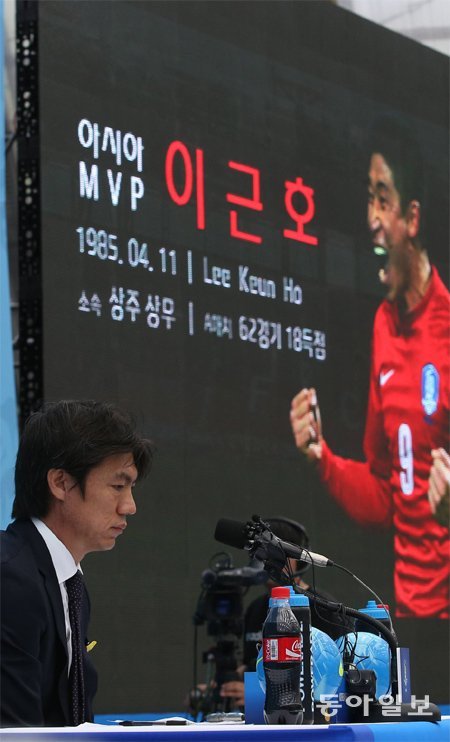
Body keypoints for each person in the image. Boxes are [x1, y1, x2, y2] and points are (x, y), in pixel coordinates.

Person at [290, 120, 449, 619]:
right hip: (413, 622)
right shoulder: (384, 323)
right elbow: (387, 496)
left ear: (414, 217)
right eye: (369, 198)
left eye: (383, 199)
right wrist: (323, 459)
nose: (372, 219)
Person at [0, 400, 154, 728]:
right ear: (60, 483)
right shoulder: (8, 578)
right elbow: (14, 730)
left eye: (131, 487)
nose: (130, 507)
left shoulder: (70, 586)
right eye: (117, 486)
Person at [220, 517, 350, 708]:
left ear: (295, 557)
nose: (262, 561)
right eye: (258, 553)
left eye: (270, 554)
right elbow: (254, 667)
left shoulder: (326, 609)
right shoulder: (256, 609)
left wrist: (256, 693)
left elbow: (337, 679)